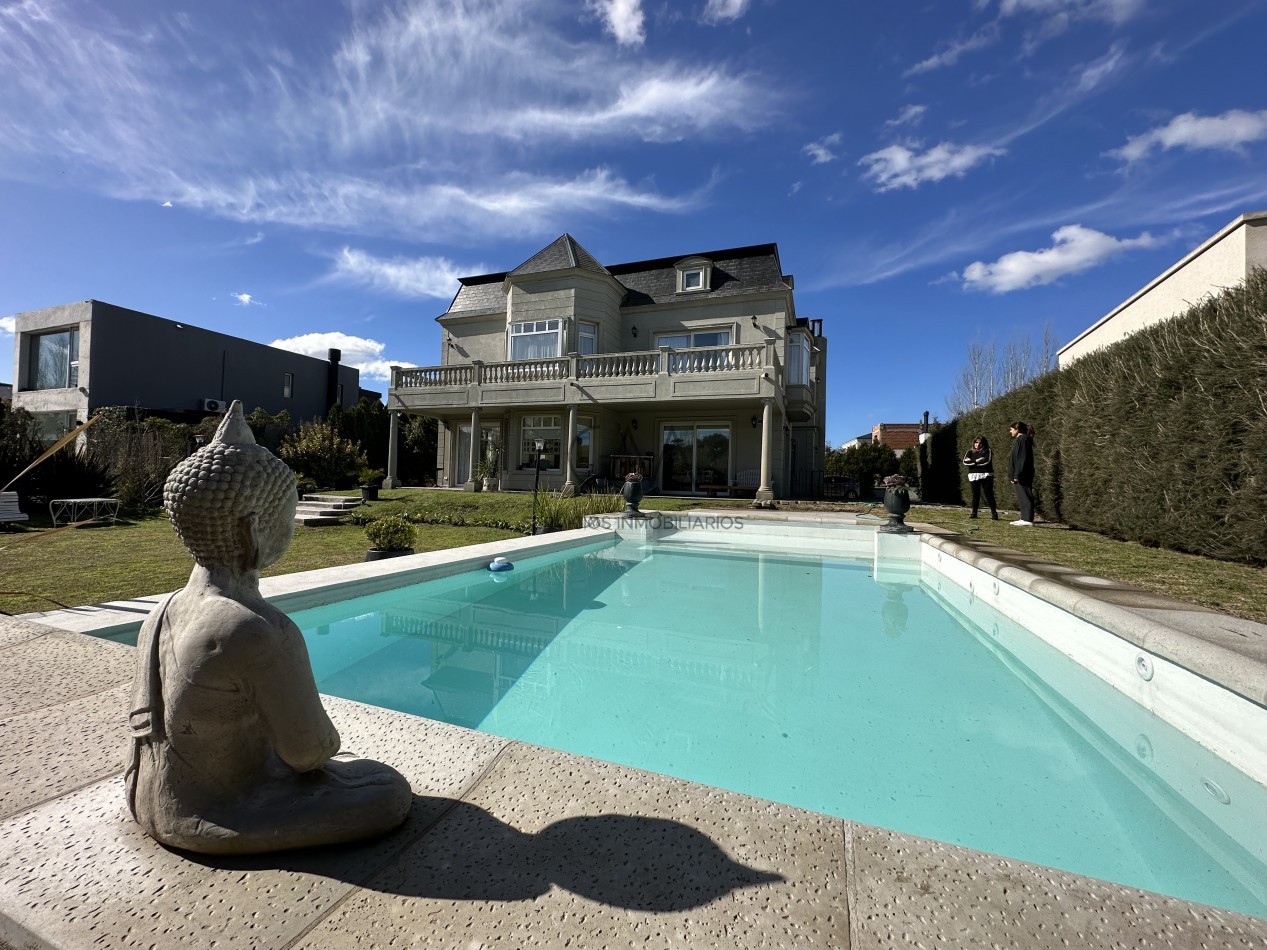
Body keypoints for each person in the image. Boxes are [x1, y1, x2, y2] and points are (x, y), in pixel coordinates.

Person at [126, 402, 412, 854]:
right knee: (387, 792)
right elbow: (309, 752)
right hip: (215, 810)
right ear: (252, 533)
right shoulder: (256, 630)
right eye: (289, 517)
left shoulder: (165, 608)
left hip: (145, 795)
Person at [961, 435, 998, 520]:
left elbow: (987, 461)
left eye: (980, 443)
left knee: (988, 494)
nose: (977, 444)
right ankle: (974, 513)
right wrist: (976, 461)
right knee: (975, 494)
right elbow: (965, 462)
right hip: (973, 475)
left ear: (983, 444)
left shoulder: (987, 451)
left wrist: (972, 462)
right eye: (976, 442)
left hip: (986, 474)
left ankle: (994, 513)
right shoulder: (970, 451)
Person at [1007, 421, 1035, 526]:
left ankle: (1027, 519)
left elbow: (1021, 459)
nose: (1010, 431)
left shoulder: (1022, 440)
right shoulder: (1021, 440)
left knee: (1025, 494)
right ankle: (1024, 518)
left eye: (1011, 429)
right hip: (1021, 473)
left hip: (1023, 474)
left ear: (1017, 429)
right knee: (1022, 495)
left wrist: (1017, 474)